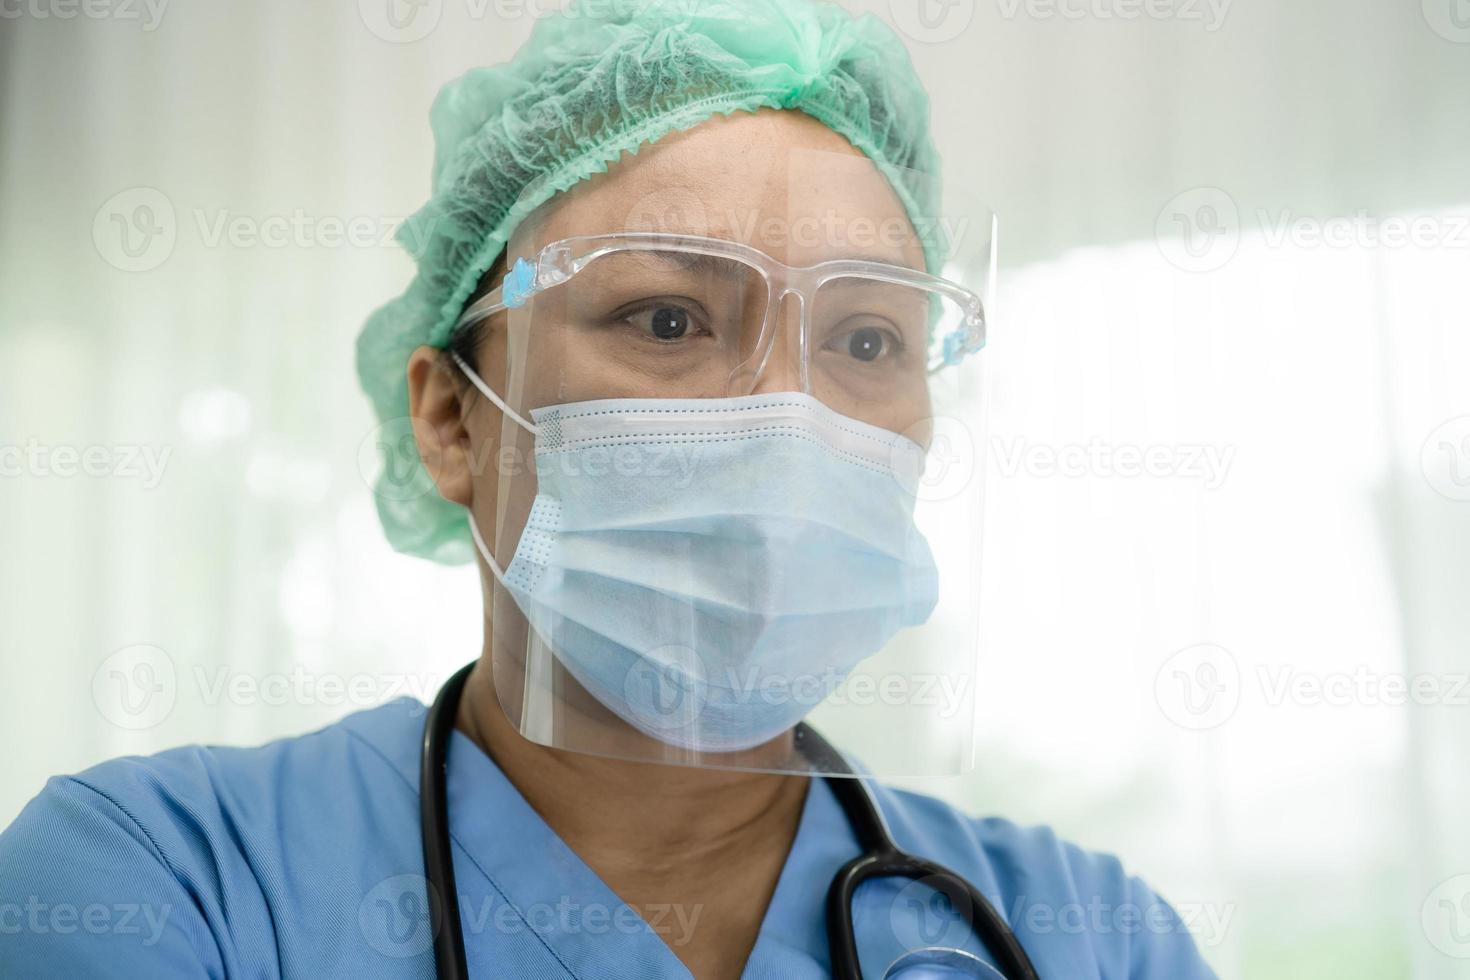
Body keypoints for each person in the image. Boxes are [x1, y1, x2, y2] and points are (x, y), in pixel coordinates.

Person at [0, 1, 1219, 977]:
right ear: (450, 418)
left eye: (864, 341)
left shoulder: (1089, 935)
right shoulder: (173, 877)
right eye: (670, 315)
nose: (780, 414)